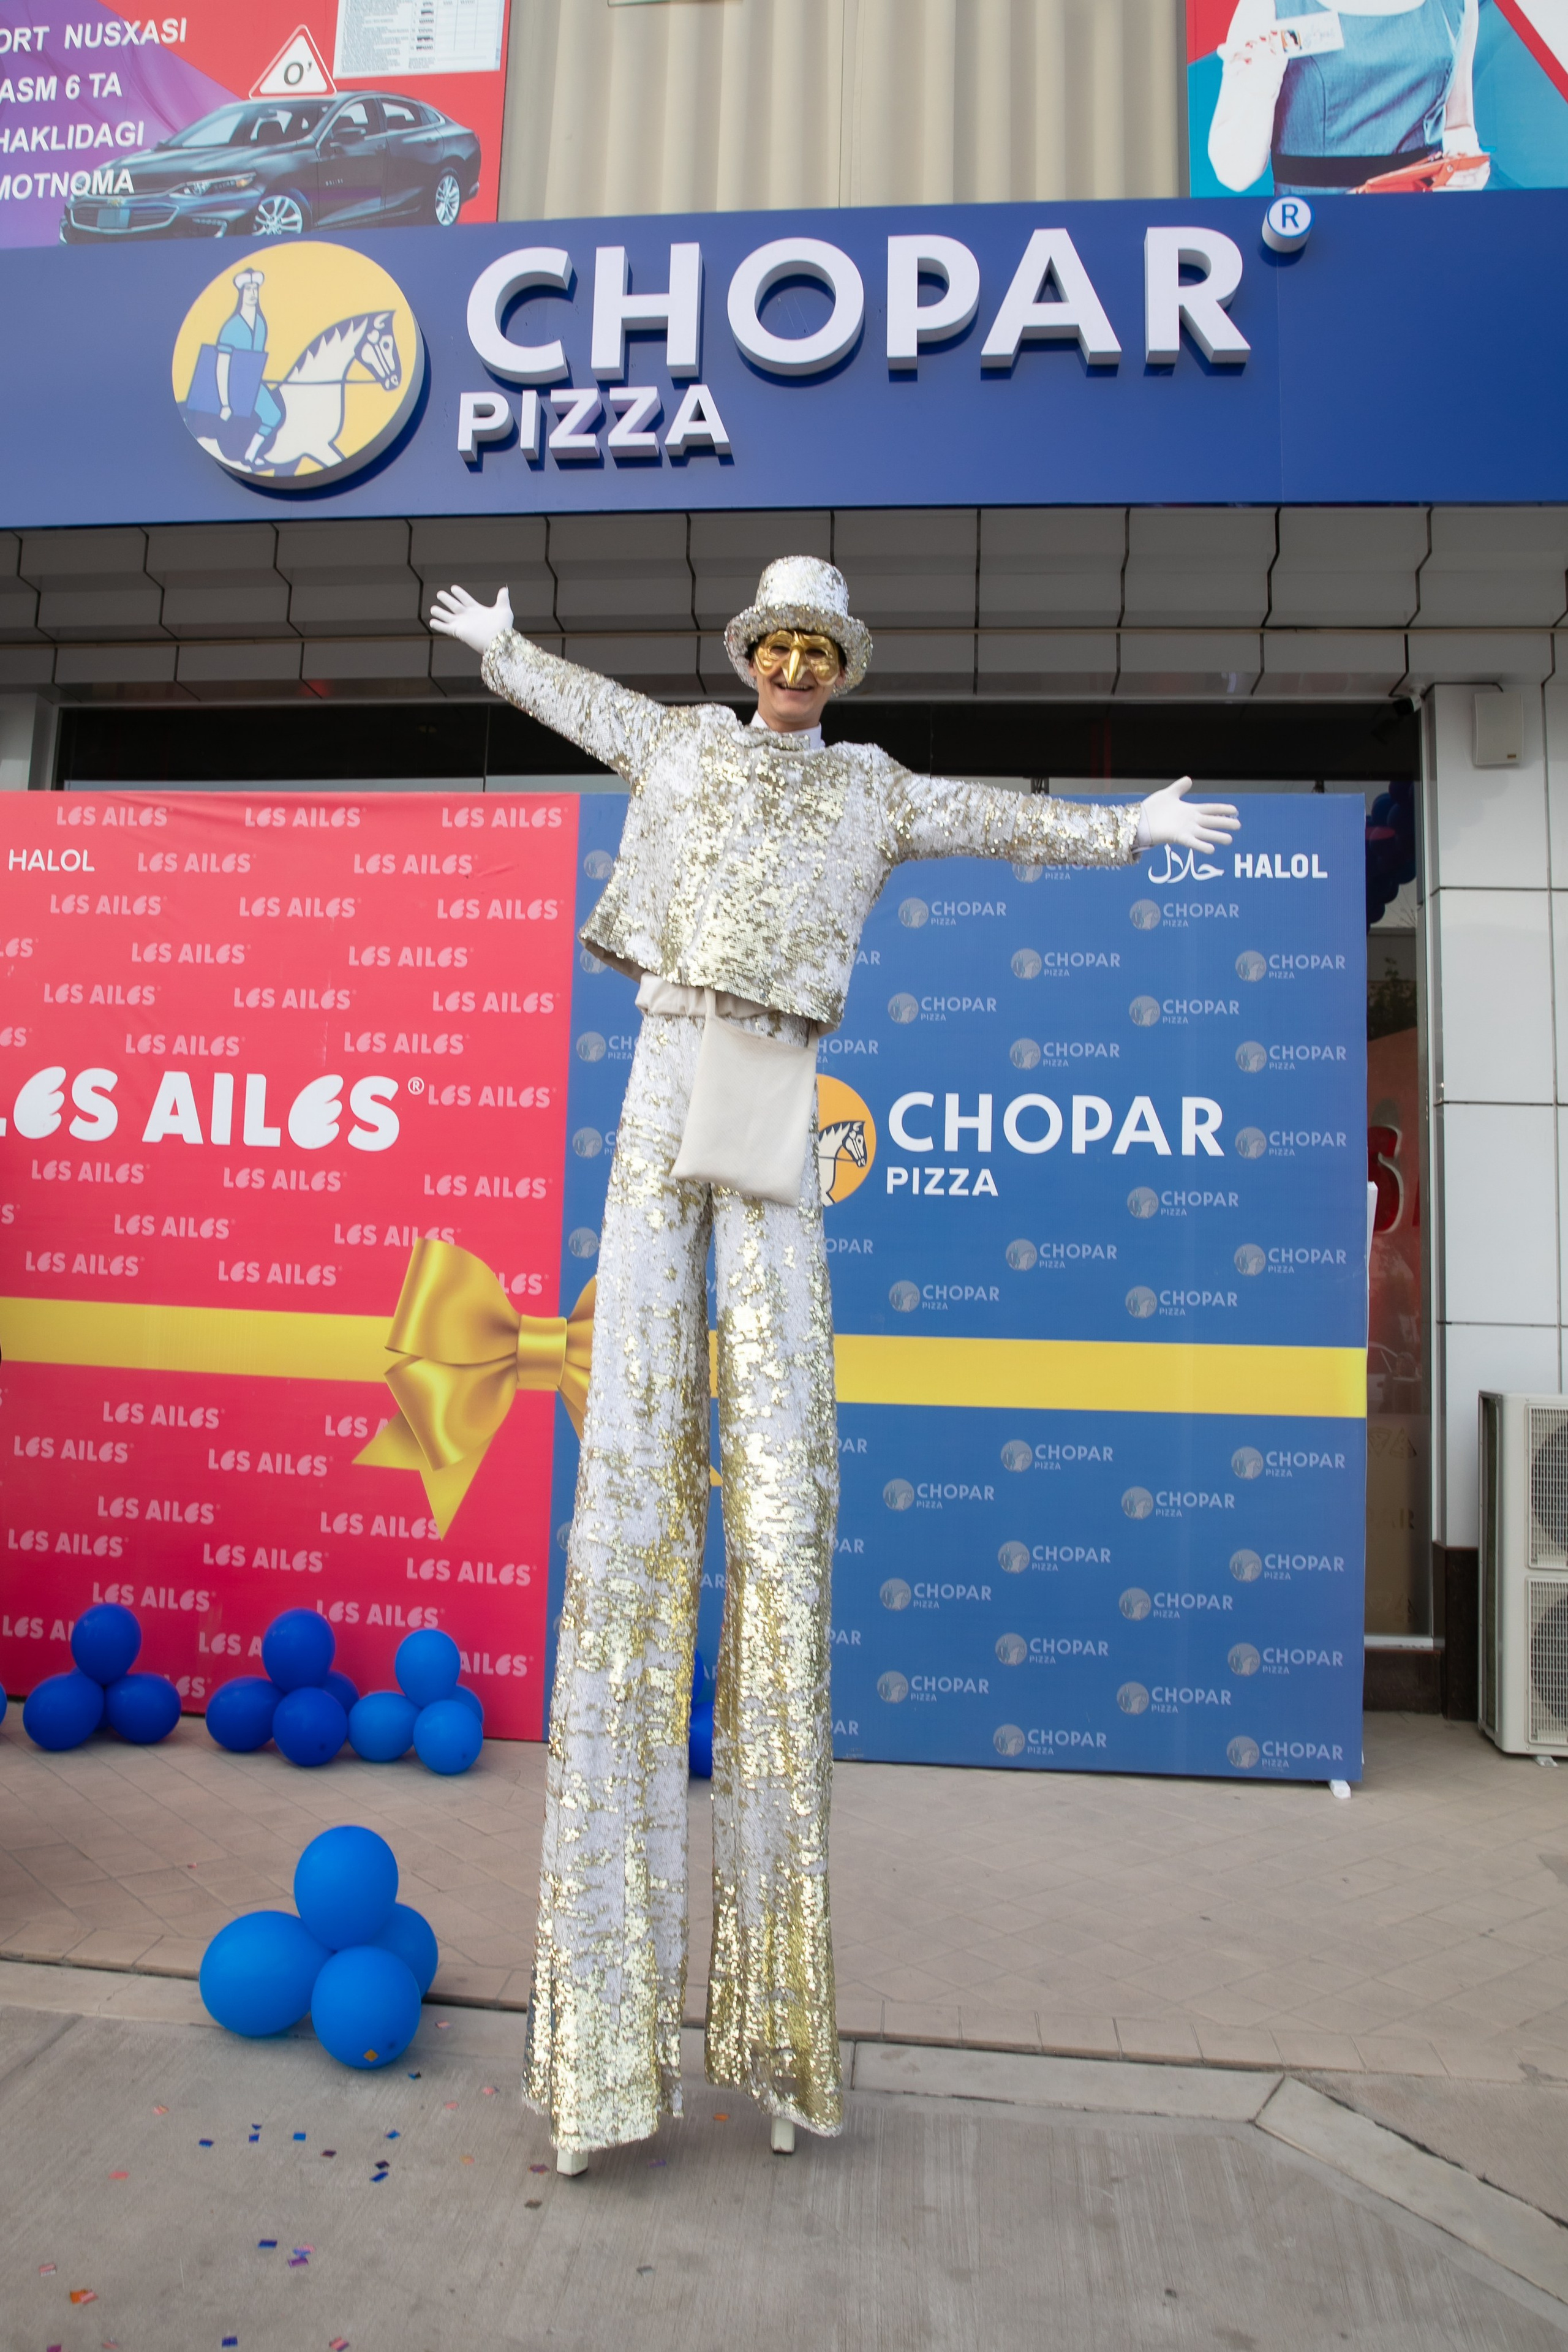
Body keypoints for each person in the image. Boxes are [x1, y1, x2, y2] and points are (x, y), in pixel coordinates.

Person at [428, 558, 1241, 2171]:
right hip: (672, 1067)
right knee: (638, 1455)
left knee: (786, 1483)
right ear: (747, 654)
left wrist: (1124, 831)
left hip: (779, 1086)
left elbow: (994, 815)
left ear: (841, 667)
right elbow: (591, 711)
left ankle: (776, 2026)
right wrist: (510, 652)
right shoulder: (683, 744)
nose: (794, 666)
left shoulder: (871, 788)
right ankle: (603, 2045)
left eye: (817, 650)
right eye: (775, 644)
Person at [1207, 0, 1490, 195]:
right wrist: (1261, 81)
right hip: (1312, 235)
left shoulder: (1456, 4)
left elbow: (1459, 127)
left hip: (1422, 227)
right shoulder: (1269, 4)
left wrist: (1466, 168)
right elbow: (1234, 171)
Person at [214, 268, 285, 472]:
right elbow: (222, 365)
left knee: (274, 415)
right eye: (248, 290)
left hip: (254, 384)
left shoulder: (261, 324)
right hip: (234, 387)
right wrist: (225, 403)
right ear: (241, 293)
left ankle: (250, 455)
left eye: (255, 289)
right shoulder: (232, 327)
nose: (253, 294)